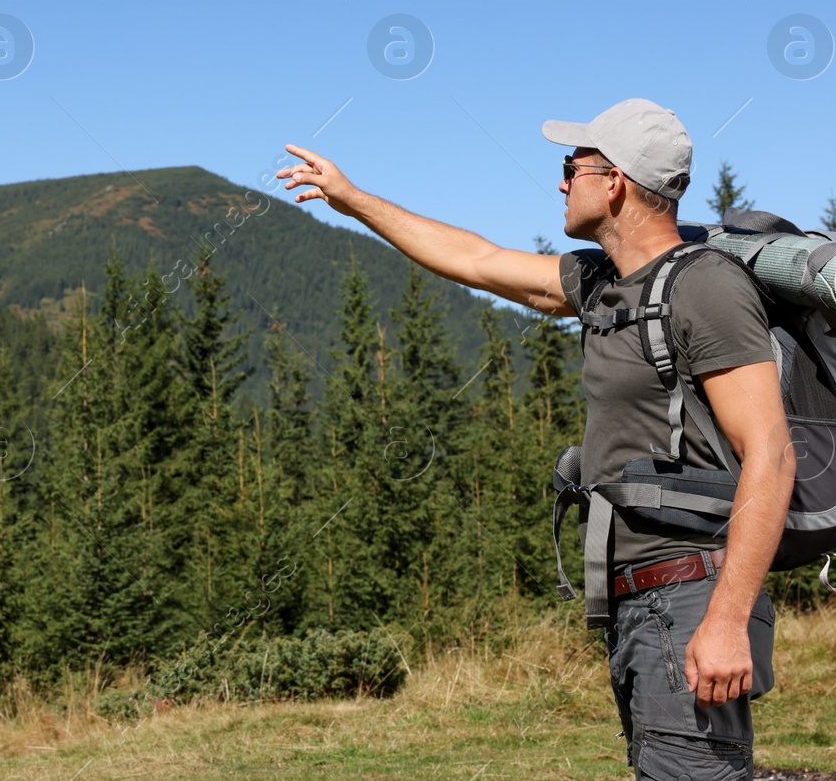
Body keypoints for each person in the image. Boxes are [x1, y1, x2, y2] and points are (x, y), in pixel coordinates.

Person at [276, 97, 794, 780]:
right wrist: (353, 200)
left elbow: (773, 453)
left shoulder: (706, 288)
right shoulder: (603, 283)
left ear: (613, 182)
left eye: (570, 167)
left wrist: (727, 619)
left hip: (692, 594)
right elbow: (478, 259)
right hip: (639, 605)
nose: (559, 182)